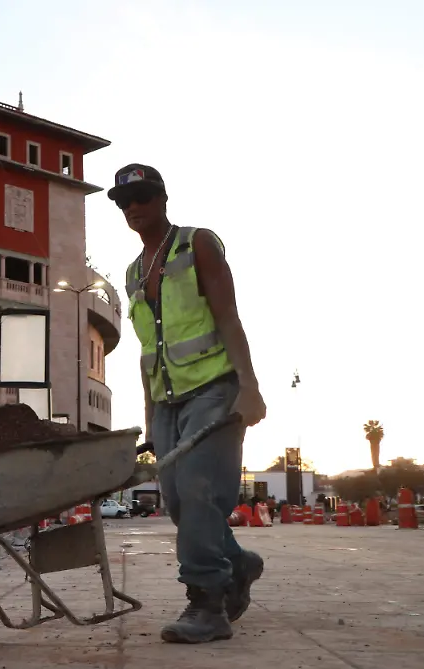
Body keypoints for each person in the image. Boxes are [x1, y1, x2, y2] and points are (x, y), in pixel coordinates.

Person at [110, 164, 267, 644]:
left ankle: (207, 604)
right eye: (124, 201)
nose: (133, 207)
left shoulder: (197, 243)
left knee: (201, 492)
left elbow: (228, 316)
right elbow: (147, 353)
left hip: (214, 388)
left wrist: (249, 386)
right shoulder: (134, 272)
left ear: (162, 199)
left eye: (142, 197)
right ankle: (237, 564)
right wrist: (150, 422)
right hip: (167, 402)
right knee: (179, 503)